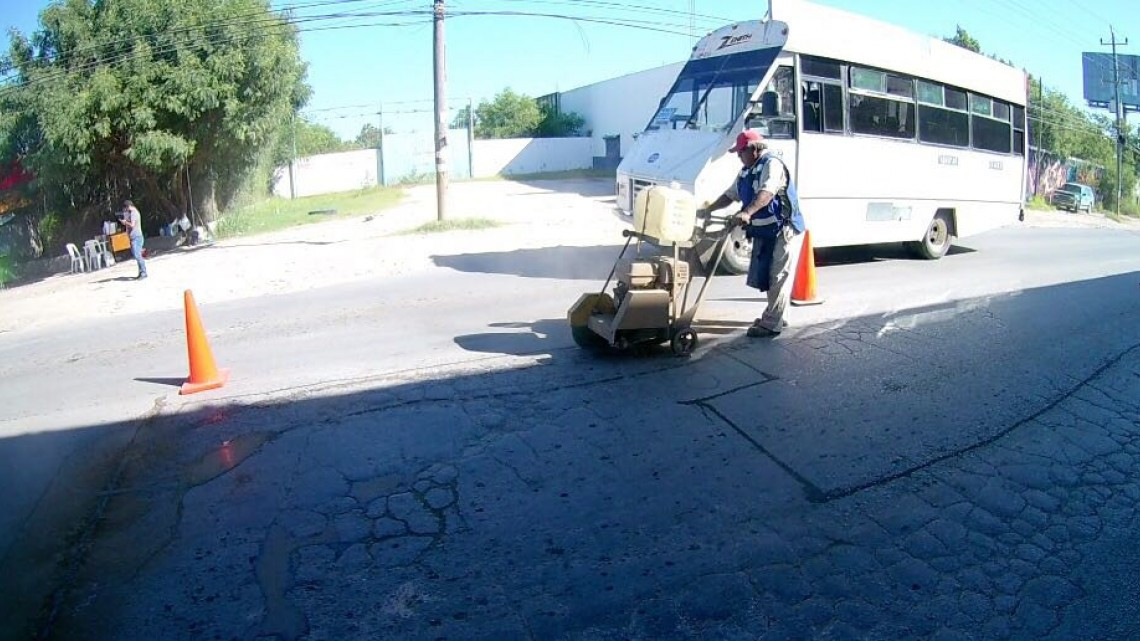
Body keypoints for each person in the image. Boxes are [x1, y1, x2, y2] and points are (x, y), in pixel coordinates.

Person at [705, 129, 805, 337]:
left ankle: (771, 323)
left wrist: (747, 212)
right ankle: (777, 315)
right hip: (766, 230)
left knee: (777, 275)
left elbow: (766, 193)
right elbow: (730, 194)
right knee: (768, 274)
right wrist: (708, 210)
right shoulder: (746, 170)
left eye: (741, 152)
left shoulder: (772, 165)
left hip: (783, 228)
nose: (739, 157)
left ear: (754, 149)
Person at [119, 199, 147, 280]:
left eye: (126, 208)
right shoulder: (132, 213)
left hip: (137, 237)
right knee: (136, 255)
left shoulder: (134, 213)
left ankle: (143, 272)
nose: (126, 210)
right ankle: (141, 272)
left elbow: (132, 225)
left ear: (128, 206)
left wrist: (125, 222)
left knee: (137, 255)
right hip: (134, 237)